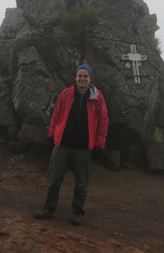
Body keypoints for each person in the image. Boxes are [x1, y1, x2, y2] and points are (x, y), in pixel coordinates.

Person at [34, 64, 109, 225]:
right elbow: (56, 116)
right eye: (80, 76)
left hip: (84, 148)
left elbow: (103, 121)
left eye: (85, 76)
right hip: (63, 145)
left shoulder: (97, 97)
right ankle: (48, 208)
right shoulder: (65, 94)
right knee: (54, 178)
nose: (82, 79)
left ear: (90, 79)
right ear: (75, 78)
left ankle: (77, 211)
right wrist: (52, 135)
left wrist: (99, 144)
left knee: (82, 182)